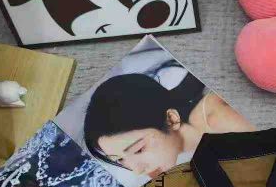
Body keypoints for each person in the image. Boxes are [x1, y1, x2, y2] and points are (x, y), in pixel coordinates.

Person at [84, 73, 255, 178]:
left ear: (171, 119)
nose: (137, 170)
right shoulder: (184, 152)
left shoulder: (219, 120)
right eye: (120, 159)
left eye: (139, 150)